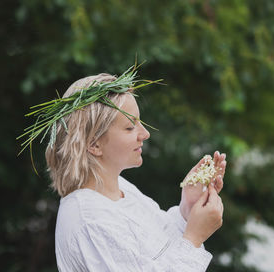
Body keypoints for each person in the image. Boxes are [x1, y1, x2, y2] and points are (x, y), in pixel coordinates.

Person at [45, 72, 227, 271]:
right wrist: (194, 239)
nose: (145, 134)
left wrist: (187, 211)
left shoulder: (121, 188)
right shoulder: (91, 221)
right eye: (130, 127)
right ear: (94, 144)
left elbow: (159, 253)